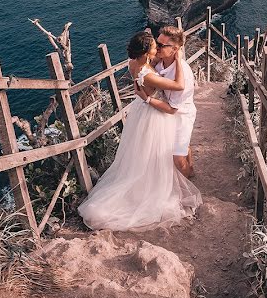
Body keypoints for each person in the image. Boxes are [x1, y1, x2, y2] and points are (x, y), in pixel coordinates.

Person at [77, 31, 201, 231]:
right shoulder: (148, 72)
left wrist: (145, 94)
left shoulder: (134, 63)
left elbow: (144, 85)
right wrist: (149, 97)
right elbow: (177, 88)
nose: (157, 49)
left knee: (143, 152)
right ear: (147, 52)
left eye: (160, 46)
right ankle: (153, 188)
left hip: (142, 112)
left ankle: (174, 170)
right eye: (155, 46)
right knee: (154, 154)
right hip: (154, 113)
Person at [154, 26, 197, 178]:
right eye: (156, 43)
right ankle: (190, 170)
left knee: (178, 158)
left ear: (175, 49)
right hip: (169, 113)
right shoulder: (160, 63)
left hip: (182, 114)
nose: (156, 47)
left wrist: (147, 99)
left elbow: (173, 108)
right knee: (182, 147)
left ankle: (188, 185)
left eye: (161, 45)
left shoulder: (182, 74)